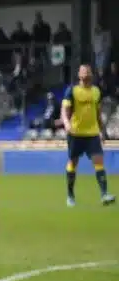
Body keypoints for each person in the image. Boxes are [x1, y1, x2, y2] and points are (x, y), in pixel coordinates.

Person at [60, 63, 114, 207]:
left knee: (98, 161)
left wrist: (102, 131)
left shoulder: (96, 91)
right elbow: (64, 109)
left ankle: (104, 194)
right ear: (79, 75)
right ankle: (70, 195)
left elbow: (98, 113)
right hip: (75, 133)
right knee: (73, 162)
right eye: (83, 71)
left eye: (88, 71)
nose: (85, 73)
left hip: (92, 133)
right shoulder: (72, 90)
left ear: (91, 74)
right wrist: (66, 122)